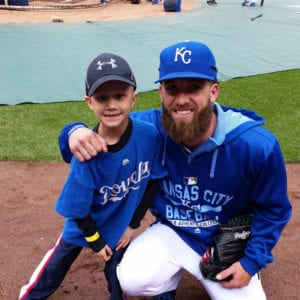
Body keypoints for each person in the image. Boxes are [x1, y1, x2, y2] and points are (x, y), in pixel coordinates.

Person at [57, 41, 292, 300]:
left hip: (225, 243)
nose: (181, 100)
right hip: (173, 231)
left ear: (213, 91)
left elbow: (274, 210)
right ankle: (166, 287)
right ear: (160, 92)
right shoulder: (148, 130)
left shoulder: (255, 145)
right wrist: (73, 132)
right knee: (132, 279)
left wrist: (251, 262)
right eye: (172, 89)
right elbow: (95, 139)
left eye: (193, 88)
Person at [19, 52, 167, 300]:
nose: (111, 105)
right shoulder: (86, 152)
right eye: (102, 97)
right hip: (83, 225)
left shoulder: (149, 135)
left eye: (120, 96)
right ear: (89, 102)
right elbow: (76, 209)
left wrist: (132, 225)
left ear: (134, 98)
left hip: (119, 225)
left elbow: (152, 181)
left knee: (117, 278)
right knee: (55, 267)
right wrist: (95, 241)